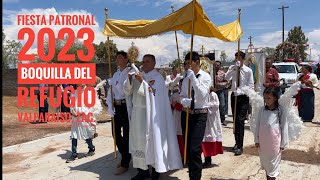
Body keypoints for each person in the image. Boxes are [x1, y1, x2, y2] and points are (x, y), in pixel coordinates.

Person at [124, 54, 182, 180]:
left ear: (154, 63)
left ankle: (156, 170)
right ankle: (142, 171)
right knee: (139, 142)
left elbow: (154, 93)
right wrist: (129, 79)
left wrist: (142, 81)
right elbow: (127, 91)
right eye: (143, 61)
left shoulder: (158, 78)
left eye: (147, 61)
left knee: (153, 141)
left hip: (151, 115)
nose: (144, 64)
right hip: (138, 113)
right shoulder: (138, 74)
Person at [180, 52, 211, 180]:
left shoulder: (206, 77)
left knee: (195, 148)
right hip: (186, 114)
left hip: (199, 115)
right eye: (186, 63)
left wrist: (193, 79)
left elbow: (202, 95)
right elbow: (181, 95)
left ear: (197, 62)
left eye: (189, 63)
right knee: (188, 147)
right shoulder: (186, 77)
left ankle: (196, 177)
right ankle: (192, 174)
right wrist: (183, 101)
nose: (187, 66)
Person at [106, 51, 132, 175]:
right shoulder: (115, 74)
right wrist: (110, 106)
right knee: (115, 134)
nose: (117, 60)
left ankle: (125, 162)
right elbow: (109, 93)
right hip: (117, 106)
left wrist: (115, 85)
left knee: (127, 135)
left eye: (120, 57)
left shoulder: (130, 73)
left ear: (126, 59)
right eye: (116, 58)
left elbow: (125, 90)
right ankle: (125, 155)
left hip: (126, 106)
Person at [255, 87, 288, 180]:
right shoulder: (262, 110)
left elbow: (284, 127)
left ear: (275, 98)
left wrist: (283, 143)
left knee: (273, 166)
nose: (266, 100)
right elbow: (257, 125)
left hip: (274, 143)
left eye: (268, 98)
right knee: (266, 164)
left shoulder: (280, 111)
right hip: (263, 142)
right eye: (264, 98)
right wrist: (256, 140)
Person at [225, 51, 254, 156]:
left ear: (243, 59)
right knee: (235, 120)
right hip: (234, 96)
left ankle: (240, 146)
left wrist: (241, 91)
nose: (238, 60)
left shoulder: (248, 71)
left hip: (243, 97)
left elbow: (251, 86)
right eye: (236, 58)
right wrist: (233, 69)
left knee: (240, 120)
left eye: (239, 58)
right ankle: (236, 142)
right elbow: (226, 78)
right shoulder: (232, 68)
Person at [66, 84, 101, 163]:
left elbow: (90, 106)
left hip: (84, 117)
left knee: (85, 134)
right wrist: (72, 111)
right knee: (74, 135)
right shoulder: (74, 93)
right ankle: (74, 153)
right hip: (75, 117)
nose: (80, 84)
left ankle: (91, 147)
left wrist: (82, 112)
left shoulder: (88, 93)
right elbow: (71, 104)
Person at [202, 87, 224, 168]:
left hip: (211, 119)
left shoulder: (213, 94)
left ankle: (208, 160)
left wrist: (205, 105)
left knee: (208, 137)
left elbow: (216, 105)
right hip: (202, 118)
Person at [214, 60, 228, 126]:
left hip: (219, 91)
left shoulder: (222, 73)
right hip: (212, 92)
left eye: (218, 65)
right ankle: (214, 120)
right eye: (215, 65)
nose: (216, 66)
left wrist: (219, 84)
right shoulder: (210, 72)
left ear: (220, 66)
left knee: (222, 105)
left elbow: (226, 82)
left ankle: (223, 119)